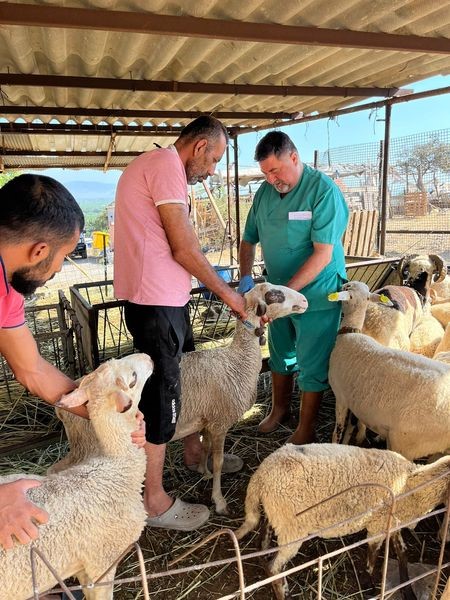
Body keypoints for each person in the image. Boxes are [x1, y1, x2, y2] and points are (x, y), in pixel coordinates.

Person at [114, 116, 247, 531]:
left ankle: (193, 454)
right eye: (215, 160)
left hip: (167, 298)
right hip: (155, 304)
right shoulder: (166, 167)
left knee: (183, 379)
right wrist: (230, 296)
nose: (213, 170)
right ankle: (153, 501)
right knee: (160, 395)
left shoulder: (158, 168)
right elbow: (184, 246)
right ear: (200, 147)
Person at [0, 174, 146, 552]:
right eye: (63, 256)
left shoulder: (7, 287)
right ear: (39, 250)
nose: (61, 268)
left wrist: (104, 412)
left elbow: (31, 368)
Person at [238, 131, 348, 444]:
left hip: (316, 293)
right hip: (276, 295)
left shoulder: (322, 191)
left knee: (312, 360)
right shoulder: (263, 193)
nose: (271, 178)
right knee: (281, 351)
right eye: (265, 173)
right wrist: (247, 279)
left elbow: (323, 253)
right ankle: (279, 409)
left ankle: (306, 427)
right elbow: (248, 238)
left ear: (294, 158)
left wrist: (284, 295)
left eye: (276, 170)